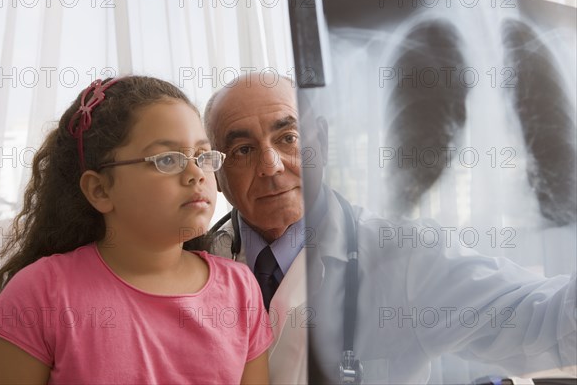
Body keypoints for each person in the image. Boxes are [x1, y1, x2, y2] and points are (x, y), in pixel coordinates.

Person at [203, 72, 577, 384]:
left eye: (288, 138)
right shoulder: (190, 260)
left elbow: (546, 321)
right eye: (243, 150)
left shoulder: (406, 256)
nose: (271, 165)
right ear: (215, 171)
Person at [0, 76, 273, 384]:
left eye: (203, 155)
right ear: (100, 190)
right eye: (167, 159)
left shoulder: (241, 289)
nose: (196, 173)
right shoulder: (39, 294)